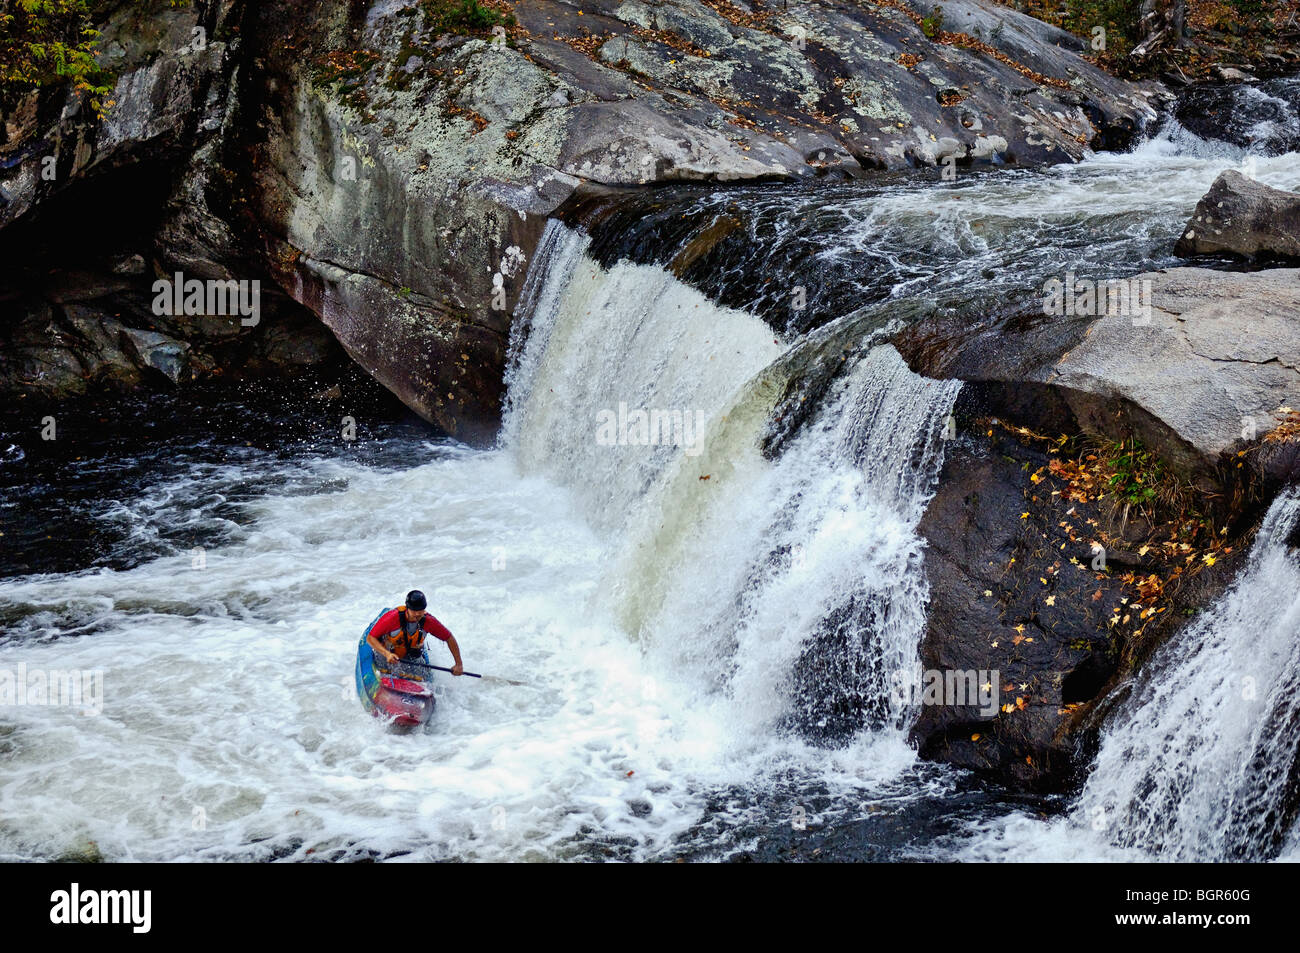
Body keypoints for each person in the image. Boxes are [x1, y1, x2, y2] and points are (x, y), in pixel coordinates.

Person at [367, 590, 464, 676]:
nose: (417, 614)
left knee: (421, 672)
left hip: (411, 658)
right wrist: (387, 654)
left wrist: (458, 664)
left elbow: (449, 638)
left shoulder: (429, 622)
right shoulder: (392, 618)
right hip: (386, 654)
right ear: (407, 608)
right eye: (414, 611)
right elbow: (370, 638)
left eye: (420, 610)